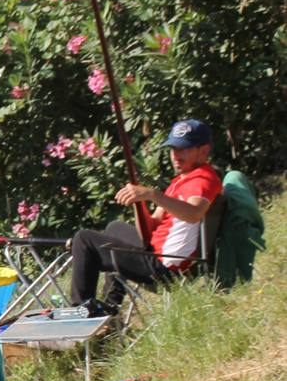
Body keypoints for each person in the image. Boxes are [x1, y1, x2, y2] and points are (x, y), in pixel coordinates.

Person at [67, 118, 223, 313]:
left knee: (84, 239)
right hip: (156, 253)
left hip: (163, 268)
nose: (175, 155)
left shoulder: (202, 180)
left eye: (184, 149)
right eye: (173, 149)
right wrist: (139, 203)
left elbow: (193, 214)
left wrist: (152, 194)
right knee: (115, 228)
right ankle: (111, 305)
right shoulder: (181, 181)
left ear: (204, 151)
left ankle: (80, 311)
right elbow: (152, 228)